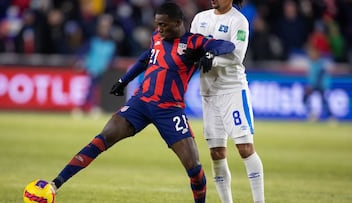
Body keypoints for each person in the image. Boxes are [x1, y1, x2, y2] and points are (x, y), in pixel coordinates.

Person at [50, 2, 236, 203]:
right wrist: (124, 80)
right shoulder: (157, 38)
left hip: (170, 111)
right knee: (102, 138)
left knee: (194, 166)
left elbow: (227, 46)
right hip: (140, 103)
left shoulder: (193, 42)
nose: (160, 29)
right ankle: (55, 184)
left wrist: (210, 53)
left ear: (178, 22)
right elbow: (144, 59)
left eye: (164, 25)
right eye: (157, 24)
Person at [190, 0, 265, 202]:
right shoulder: (200, 19)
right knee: (216, 152)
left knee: (245, 148)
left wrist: (211, 59)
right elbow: (193, 48)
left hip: (232, 89)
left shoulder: (239, 21)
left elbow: (237, 56)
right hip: (208, 91)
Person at [73, 14, 116, 116]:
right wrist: (81, 61)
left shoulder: (111, 45)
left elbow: (112, 58)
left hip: (103, 71)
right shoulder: (93, 42)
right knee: (91, 88)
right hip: (92, 69)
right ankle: (89, 107)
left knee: (95, 89)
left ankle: (86, 107)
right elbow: (82, 53)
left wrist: (109, 64)